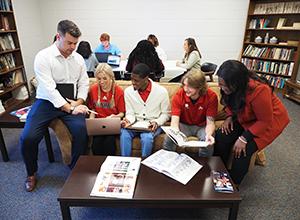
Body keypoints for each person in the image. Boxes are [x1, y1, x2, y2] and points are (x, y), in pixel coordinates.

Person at [20, 20, 90, 192]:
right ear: (58, 37)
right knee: (28, 138)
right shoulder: (43, 57)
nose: (73, 47)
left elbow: (84, 83)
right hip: (46, 102)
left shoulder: (78, 58)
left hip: (72, 101)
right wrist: (69, 108)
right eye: (69, 43)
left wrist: (79, 102)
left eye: (75, 43)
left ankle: (75, 168)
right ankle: (31, 173)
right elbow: (49, 89)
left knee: (81, 131)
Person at [213, 60, 290, 185]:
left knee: (243, 150)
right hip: (247, 115)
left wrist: (244, 138)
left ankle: (233, 183)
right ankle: (219, 170)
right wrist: (229, 117)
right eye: (220, 83)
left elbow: (265, 120)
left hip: (269, 120)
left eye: (223, 85)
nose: (220, 87)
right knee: (222, 135)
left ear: (236, 83)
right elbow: (230, 103)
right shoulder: (231, 87)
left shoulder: (260, 90)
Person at [163, 69, 218, 156]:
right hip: (184, 125)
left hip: (202, 126)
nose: (185, 89)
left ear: (200, 87)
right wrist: (175, 132)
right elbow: (174, 121)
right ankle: (167, 161)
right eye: (184, 85)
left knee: (207, 141)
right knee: (170, 137)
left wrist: (209, 134)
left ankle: (204, 166)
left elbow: (210, 122)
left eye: (190, 86)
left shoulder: (211, 96)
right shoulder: (179, 95)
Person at [120, 63, 170, 157]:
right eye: (132, 79)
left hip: (152, 124)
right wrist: (128, 121)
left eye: (136, 80)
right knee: (124, 133)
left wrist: (157, 122)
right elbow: (130, 113)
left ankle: (144, 165)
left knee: (146, 137)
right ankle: (125, 162)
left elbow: (165, 114)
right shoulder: (128, 91)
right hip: (135, 124)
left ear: (146, 79)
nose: (133, 83)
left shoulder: (161, 92)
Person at [87, 63, 125, 155]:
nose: (101, 82)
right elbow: (92, 109)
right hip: (98, 124)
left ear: (111, 77)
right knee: (96, 145)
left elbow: (122, 113)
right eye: (99, 79)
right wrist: (91, 120)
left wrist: (114, 116)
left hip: (112, 124)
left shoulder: (118, 91)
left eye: (104, 78)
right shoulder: (93, 89)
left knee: (109, 143)